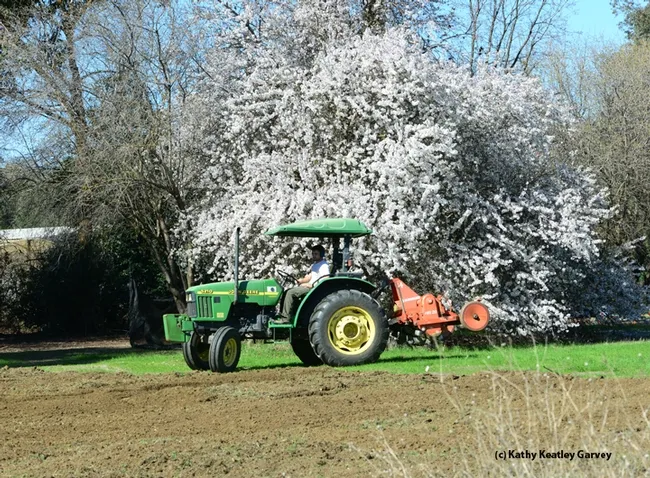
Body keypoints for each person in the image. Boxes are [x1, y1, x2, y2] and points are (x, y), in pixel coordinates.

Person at [275, 244, 330, 323]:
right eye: (313, 253)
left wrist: (310, 285)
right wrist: (301, 280)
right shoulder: (315, 264)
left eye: (316, 254)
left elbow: (325, 278)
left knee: (290, 293)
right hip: (310, 286)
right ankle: (283, 314)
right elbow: (310, 276)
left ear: (321, 254)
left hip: (313, 288)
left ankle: (285, 318)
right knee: (286, 291)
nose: (313, 256)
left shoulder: (323, 265)